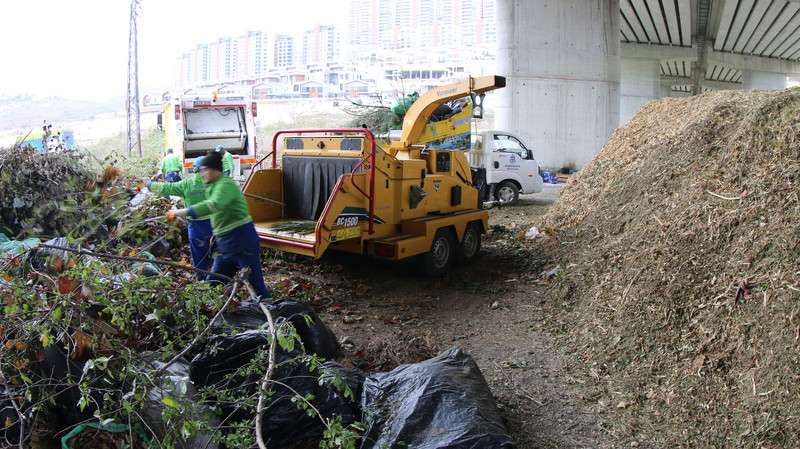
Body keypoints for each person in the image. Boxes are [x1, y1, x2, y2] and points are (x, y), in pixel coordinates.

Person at [166, 151, 271, 299]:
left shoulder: (226, 185)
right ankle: (209, 309)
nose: (201, 174)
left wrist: (182, 212)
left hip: (242, 243)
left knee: (256, 285)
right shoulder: (212, 186)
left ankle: (272, 312)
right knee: (213, 284)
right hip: (226, 246)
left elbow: (213, 206)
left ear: (214, 170)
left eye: (204, 170)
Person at [149, 157, 213, 277]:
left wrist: (150, 185)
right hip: (216, 225)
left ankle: (202, 283)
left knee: (199, 257)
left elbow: (166, 188)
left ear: (195, 169)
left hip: (196, 227)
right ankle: (218, 280)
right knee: (217, 254)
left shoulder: (187, 184)